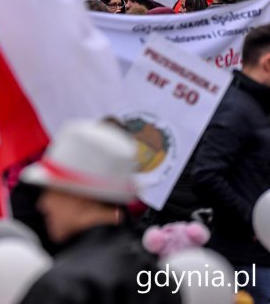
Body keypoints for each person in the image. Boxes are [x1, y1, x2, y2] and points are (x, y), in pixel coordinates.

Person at [18, 120, 179, 304]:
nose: (43, 204)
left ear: (80, 196)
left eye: (52, 192)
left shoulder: (62, 286)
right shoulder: (157, 279)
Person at [191, 24, 270, 302]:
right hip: (246, 259)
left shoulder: (255, 105)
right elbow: (206, 174)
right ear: (268, 63)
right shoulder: (237, 108)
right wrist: (253, 222)